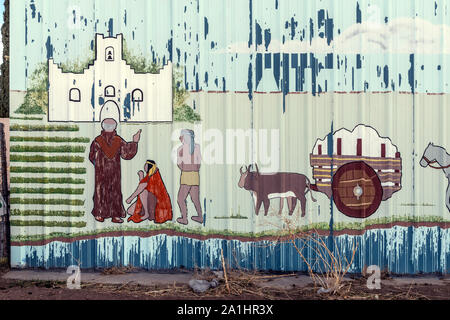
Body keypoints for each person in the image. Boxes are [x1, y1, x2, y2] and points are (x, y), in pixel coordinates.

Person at [89, 117, 141, 223]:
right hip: (114, 172)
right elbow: (127, 154)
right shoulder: (118, 140)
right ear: (114, 127)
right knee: (114, 192)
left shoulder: (97, 141)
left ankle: (100, 214)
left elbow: (91, 156)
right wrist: (135, 142)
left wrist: (98, 165)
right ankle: (115, 216)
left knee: (101, 192)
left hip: (101, 172)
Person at [176, 129, 203, 225]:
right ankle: (200, 216)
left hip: (186, 175)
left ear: (185, 137)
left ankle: (184, 218)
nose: (180, 138)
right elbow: (199, 163)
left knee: (180, 198)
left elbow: (179, 164)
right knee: (195, 198)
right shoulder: (197, 147)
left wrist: (186, 168)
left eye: (181, 136)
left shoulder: (181, 149)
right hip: (195, 175)